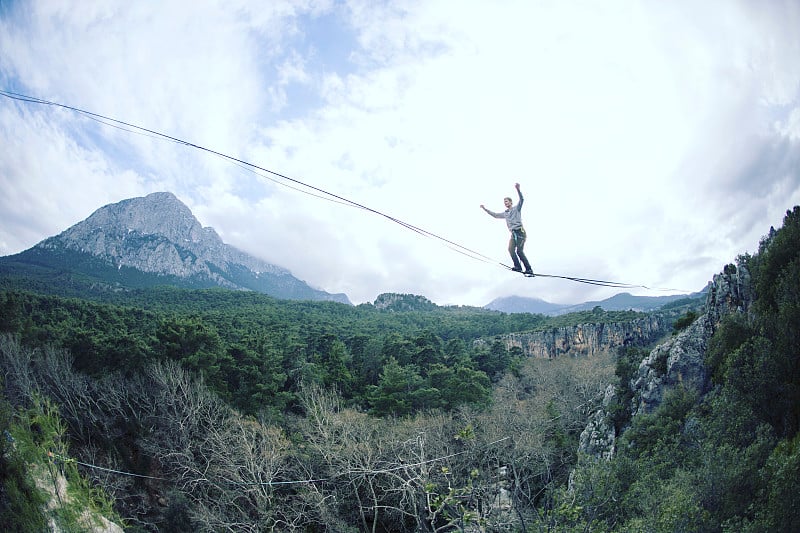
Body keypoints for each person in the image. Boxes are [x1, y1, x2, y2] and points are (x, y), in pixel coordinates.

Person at [481, 183, 534, 276]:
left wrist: (518, 189)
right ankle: (518, 266)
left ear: (511, 202)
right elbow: (495, 215)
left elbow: (522, 200)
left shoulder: (516, 209)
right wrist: (485, 209)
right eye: (504, 202)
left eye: (507, 201)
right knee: (510, 249)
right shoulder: (505, 213)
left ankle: (529, 269)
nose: (505, 203)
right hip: (513, 234)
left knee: (519, 251)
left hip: (520, 232)